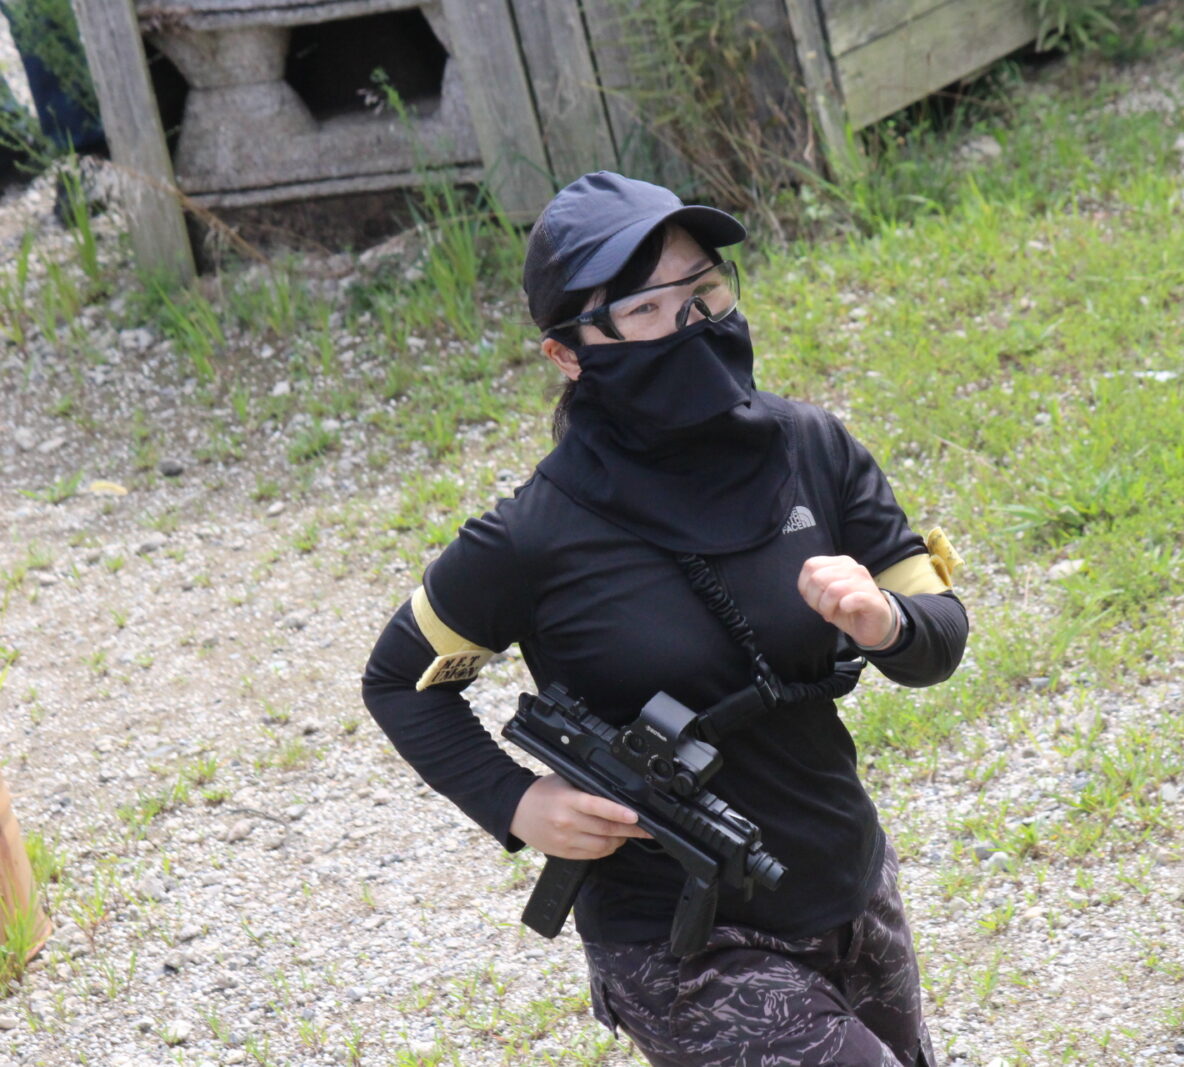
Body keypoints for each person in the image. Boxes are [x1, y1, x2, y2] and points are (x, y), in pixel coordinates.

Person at [362, 171, 968, 1066]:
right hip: (679, 943)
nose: (691, 324)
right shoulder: (533, 535)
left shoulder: (814, 447)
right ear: (567, 354)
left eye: (704, 291)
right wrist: (516, 801)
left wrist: (887, 624)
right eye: (645, 309)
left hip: (846, 879)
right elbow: (399, 682)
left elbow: (939, 633)